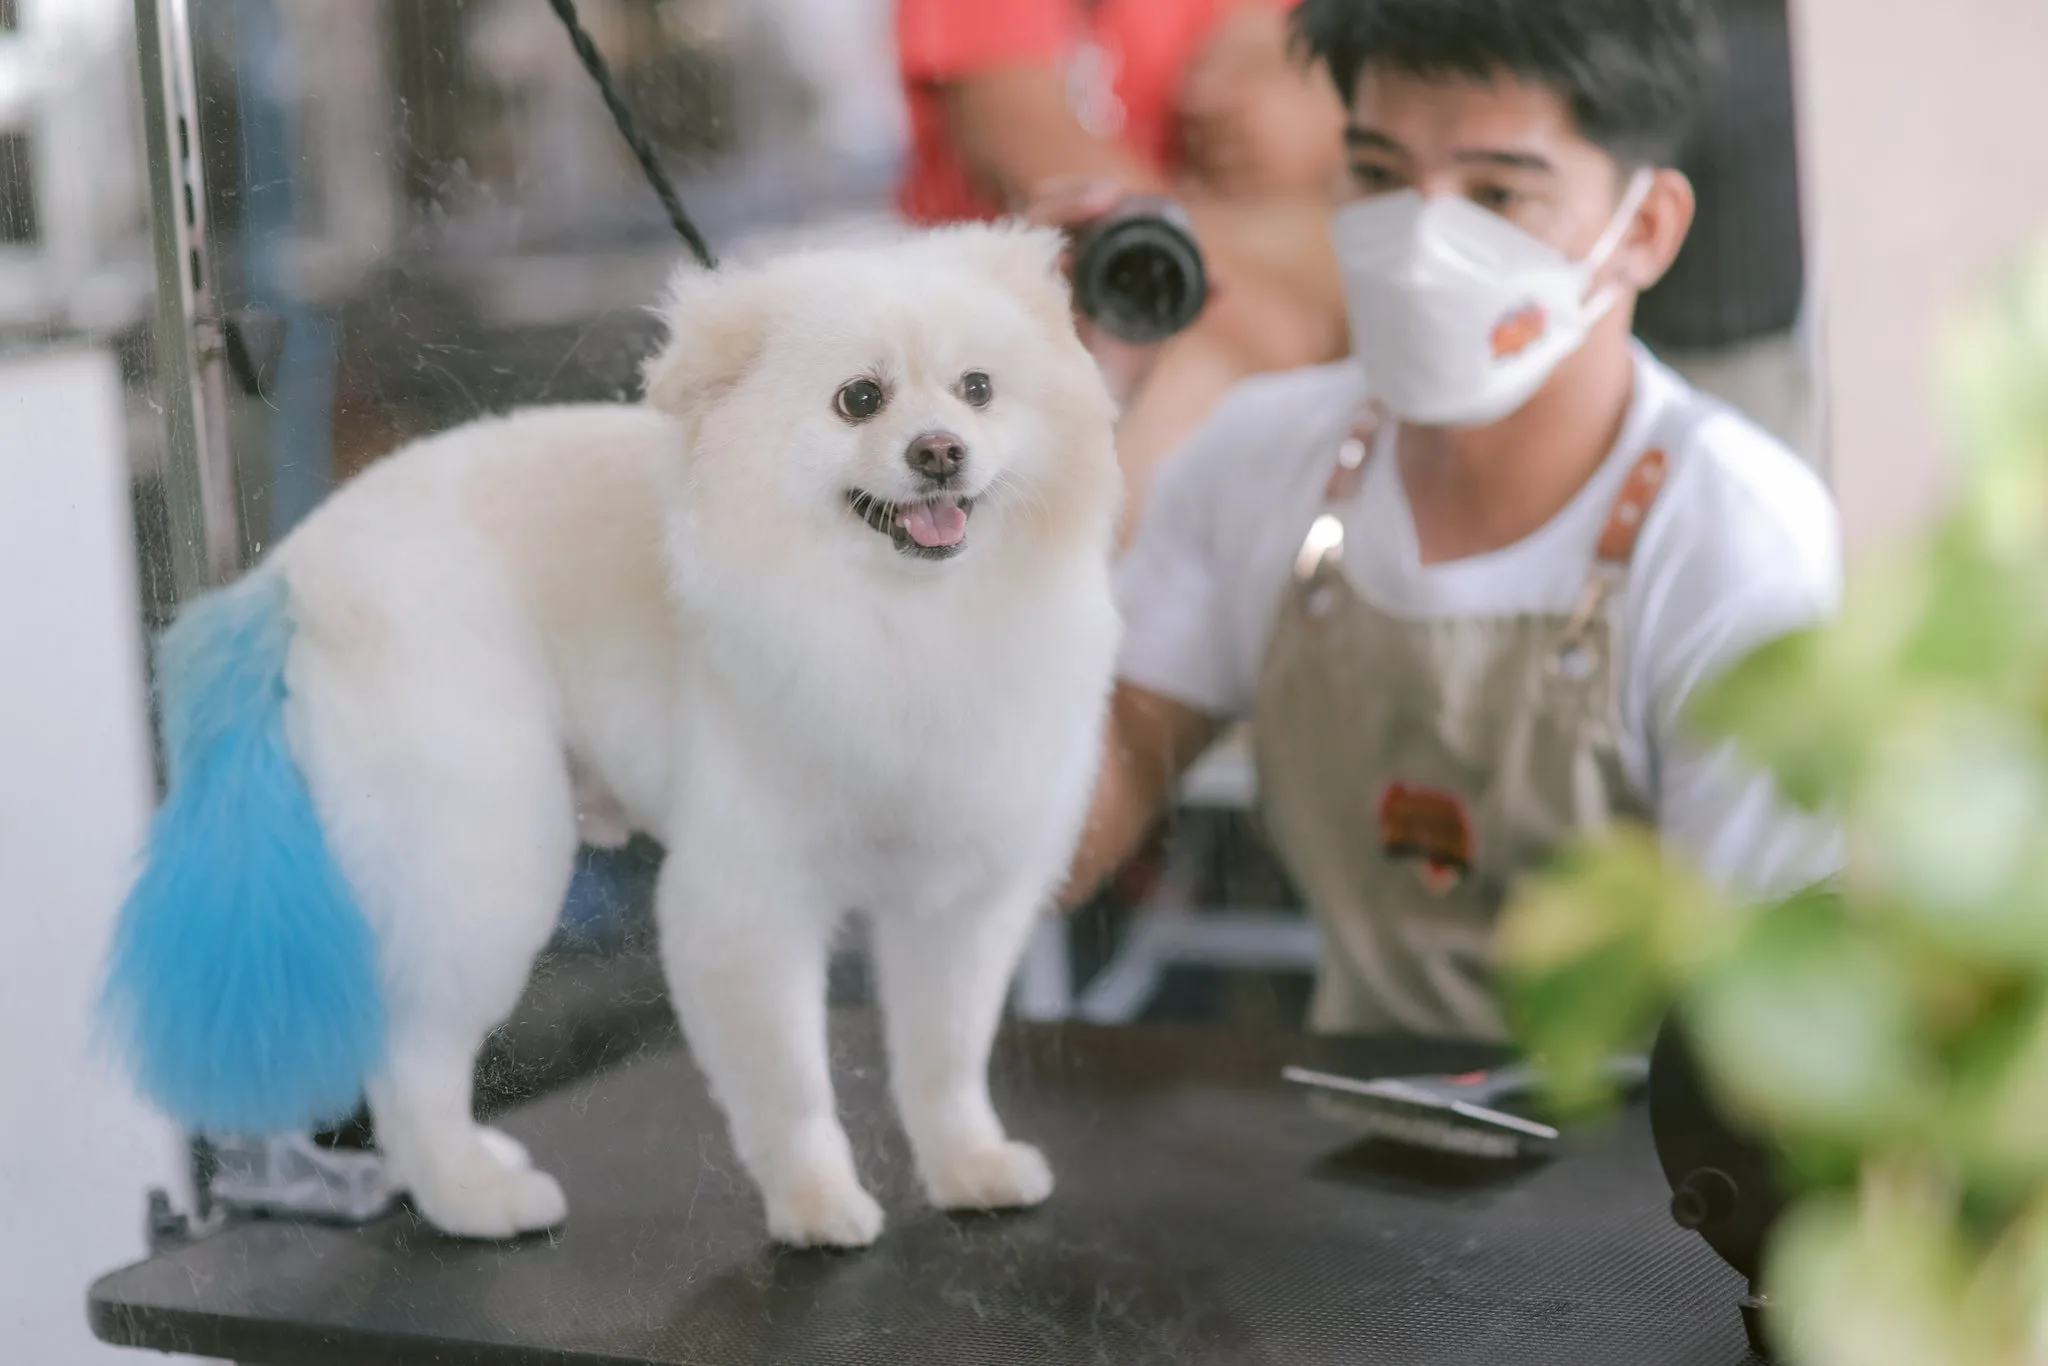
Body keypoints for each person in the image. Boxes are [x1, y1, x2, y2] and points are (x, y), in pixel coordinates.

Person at [1061, 0, 1843, 1039]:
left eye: (1495, 194)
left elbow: (1771, 1028)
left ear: (1642, 230)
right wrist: (1020, 432)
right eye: (1379, 176)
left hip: (1655, 1171)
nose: (1424, 240)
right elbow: (1055, 840)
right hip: (1352, 1133)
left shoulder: (1731, 541)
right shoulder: (1259, 462)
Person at [895, 0, 1353, 545]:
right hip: (1070, 323)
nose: (1200, 97)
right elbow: (1024, 134)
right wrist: (1298, 334)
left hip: (1210, 291)